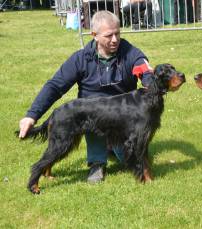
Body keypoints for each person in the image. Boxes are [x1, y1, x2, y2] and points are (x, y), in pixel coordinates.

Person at [18, 10, 155, 183]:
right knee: (91, 116)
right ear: (94, 35)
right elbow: (55, 86)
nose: (115, 40)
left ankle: (113, 148)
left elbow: (143, 68)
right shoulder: (81, 58)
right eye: (109, 35)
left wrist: (149, 81)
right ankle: (97, 162)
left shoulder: (129, 52)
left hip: (123, 117)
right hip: (93, 114)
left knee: (129, 159)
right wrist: (32, 115)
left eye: (117, 33)